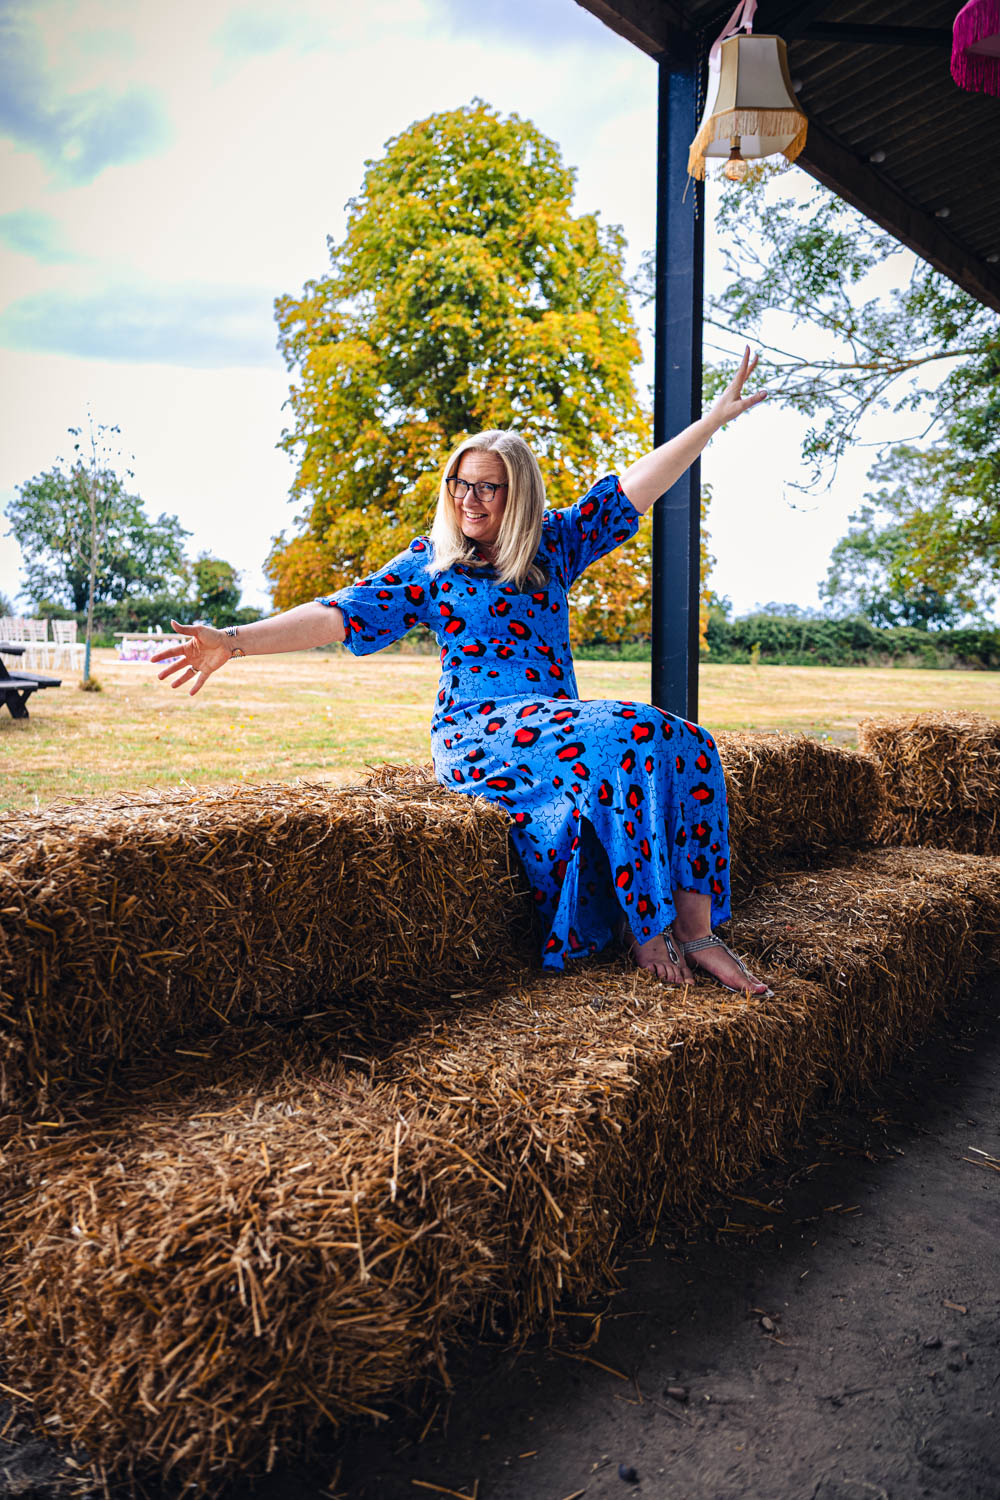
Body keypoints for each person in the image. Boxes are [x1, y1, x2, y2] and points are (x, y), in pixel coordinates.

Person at [153, 349, 769, 992]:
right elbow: (335, 615)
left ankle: (697, 933)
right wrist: (232, 639)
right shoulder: (433, 563)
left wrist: (711, 423)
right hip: (478, 733)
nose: (469, 499)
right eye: (459, 484)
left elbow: (636, 486)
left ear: (518, 493)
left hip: (554, 721)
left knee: (691, 741)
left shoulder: (553, 546)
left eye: (487, 486)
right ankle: (646, 934)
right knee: (628, 733)